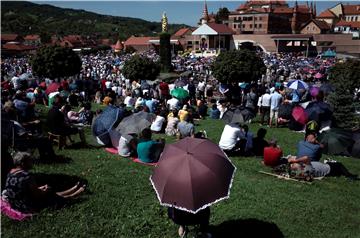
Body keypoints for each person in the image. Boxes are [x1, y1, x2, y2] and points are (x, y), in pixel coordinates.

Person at [2, 152, 85, 213]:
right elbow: (37, 195)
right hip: (26, 206)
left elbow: (23, 189)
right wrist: (45, 190)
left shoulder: (11, 172)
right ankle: (71, 196)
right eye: (30, 161)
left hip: (15, 203)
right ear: (23, 163)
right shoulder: (27, 176)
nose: (32, 163)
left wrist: (41, 189)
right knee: (50, 195)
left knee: (51, 193)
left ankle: (72, 190)